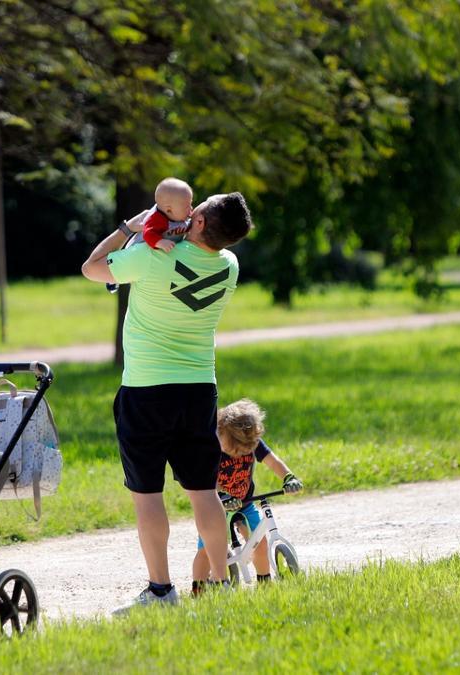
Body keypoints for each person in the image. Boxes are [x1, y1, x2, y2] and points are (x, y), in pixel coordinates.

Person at [81, 191, 254, 611]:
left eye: (196, 210)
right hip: (198, 389)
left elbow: (91, 268)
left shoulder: (153, 258)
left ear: (197, 224)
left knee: (148, 495)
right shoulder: (229, 266)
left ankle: (161, 590)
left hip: (146, 390)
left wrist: (130, 229)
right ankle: (222, 583)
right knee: (203, 492)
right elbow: (192, 248)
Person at [190, 398, 302, 594]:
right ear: (220, 431)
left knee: (260, 541)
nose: (237, 454)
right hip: (217, 506)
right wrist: (222, 495)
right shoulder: (212, 446)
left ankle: (265, 583)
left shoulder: (251, 442)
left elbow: (272, 461)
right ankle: (198, 590)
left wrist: (288, 477)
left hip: (245, 502)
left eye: (243, 452)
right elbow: (205, 479)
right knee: (206, 549)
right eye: (232, 450)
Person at [105, 177, 193, 293]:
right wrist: (160, 242)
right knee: (126, 271)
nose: (190, 209)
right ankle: (112, 280)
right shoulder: (156, 219)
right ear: (169, 210)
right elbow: (149, 234)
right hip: (137, 249)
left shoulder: (180, 215)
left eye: (191, 204)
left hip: (155, 255)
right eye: (186, 206)